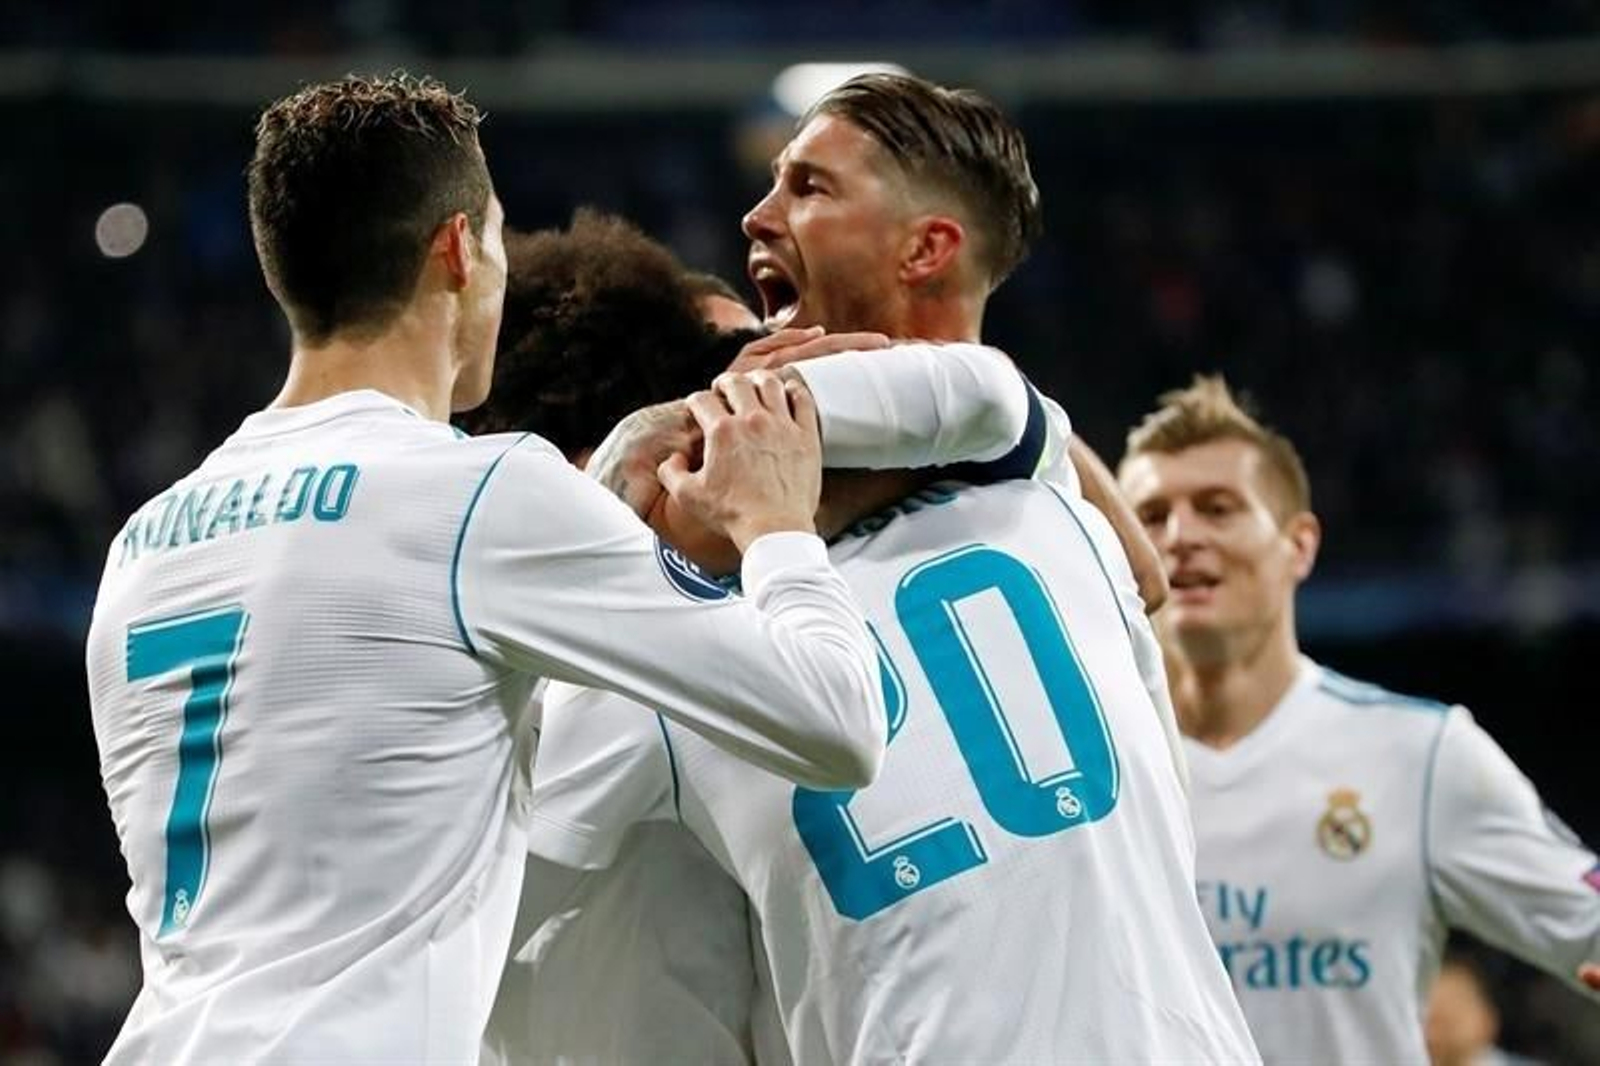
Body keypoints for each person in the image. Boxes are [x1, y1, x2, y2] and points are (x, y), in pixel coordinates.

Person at [82, 74, 890, 1065]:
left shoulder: (144, 544)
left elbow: (394, 728)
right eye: (500, 238)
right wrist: (774, 519)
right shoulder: (478, 495)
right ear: (459, 248)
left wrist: (620, 481)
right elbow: (836, 718)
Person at [520, 76, 1258, 1064]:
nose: (756, 214)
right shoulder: (1046, 500)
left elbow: (978, 395)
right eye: (726, 360)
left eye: (810, 187)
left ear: (927, 248)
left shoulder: (1027, 473)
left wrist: (647, 465)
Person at [1116, 374, 1600, 1063]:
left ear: (1300, 544)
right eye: (1153, 516)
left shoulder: (1420, 755)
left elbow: (1586, 916)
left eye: (1217, 508)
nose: (1182, 535)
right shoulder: (1088, 775)